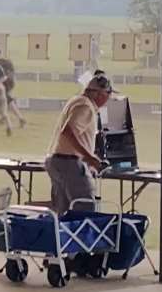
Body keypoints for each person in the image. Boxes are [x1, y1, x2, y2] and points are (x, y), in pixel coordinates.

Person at [47, 71, 113, 214]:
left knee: (63, 212)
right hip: (70, 162)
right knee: (85, 209)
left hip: (57, 161)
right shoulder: (86, 107)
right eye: (108, 95)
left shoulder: (77, 100)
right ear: (101, 94)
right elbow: (68, 131)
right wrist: (89, 157)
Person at [0, 49, 29, 130]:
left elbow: (10, 74)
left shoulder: (5, 62)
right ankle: (9, 118)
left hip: (7, 84)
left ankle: (20, 119)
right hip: (4, 84)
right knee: (6, 102)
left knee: (7, 102)